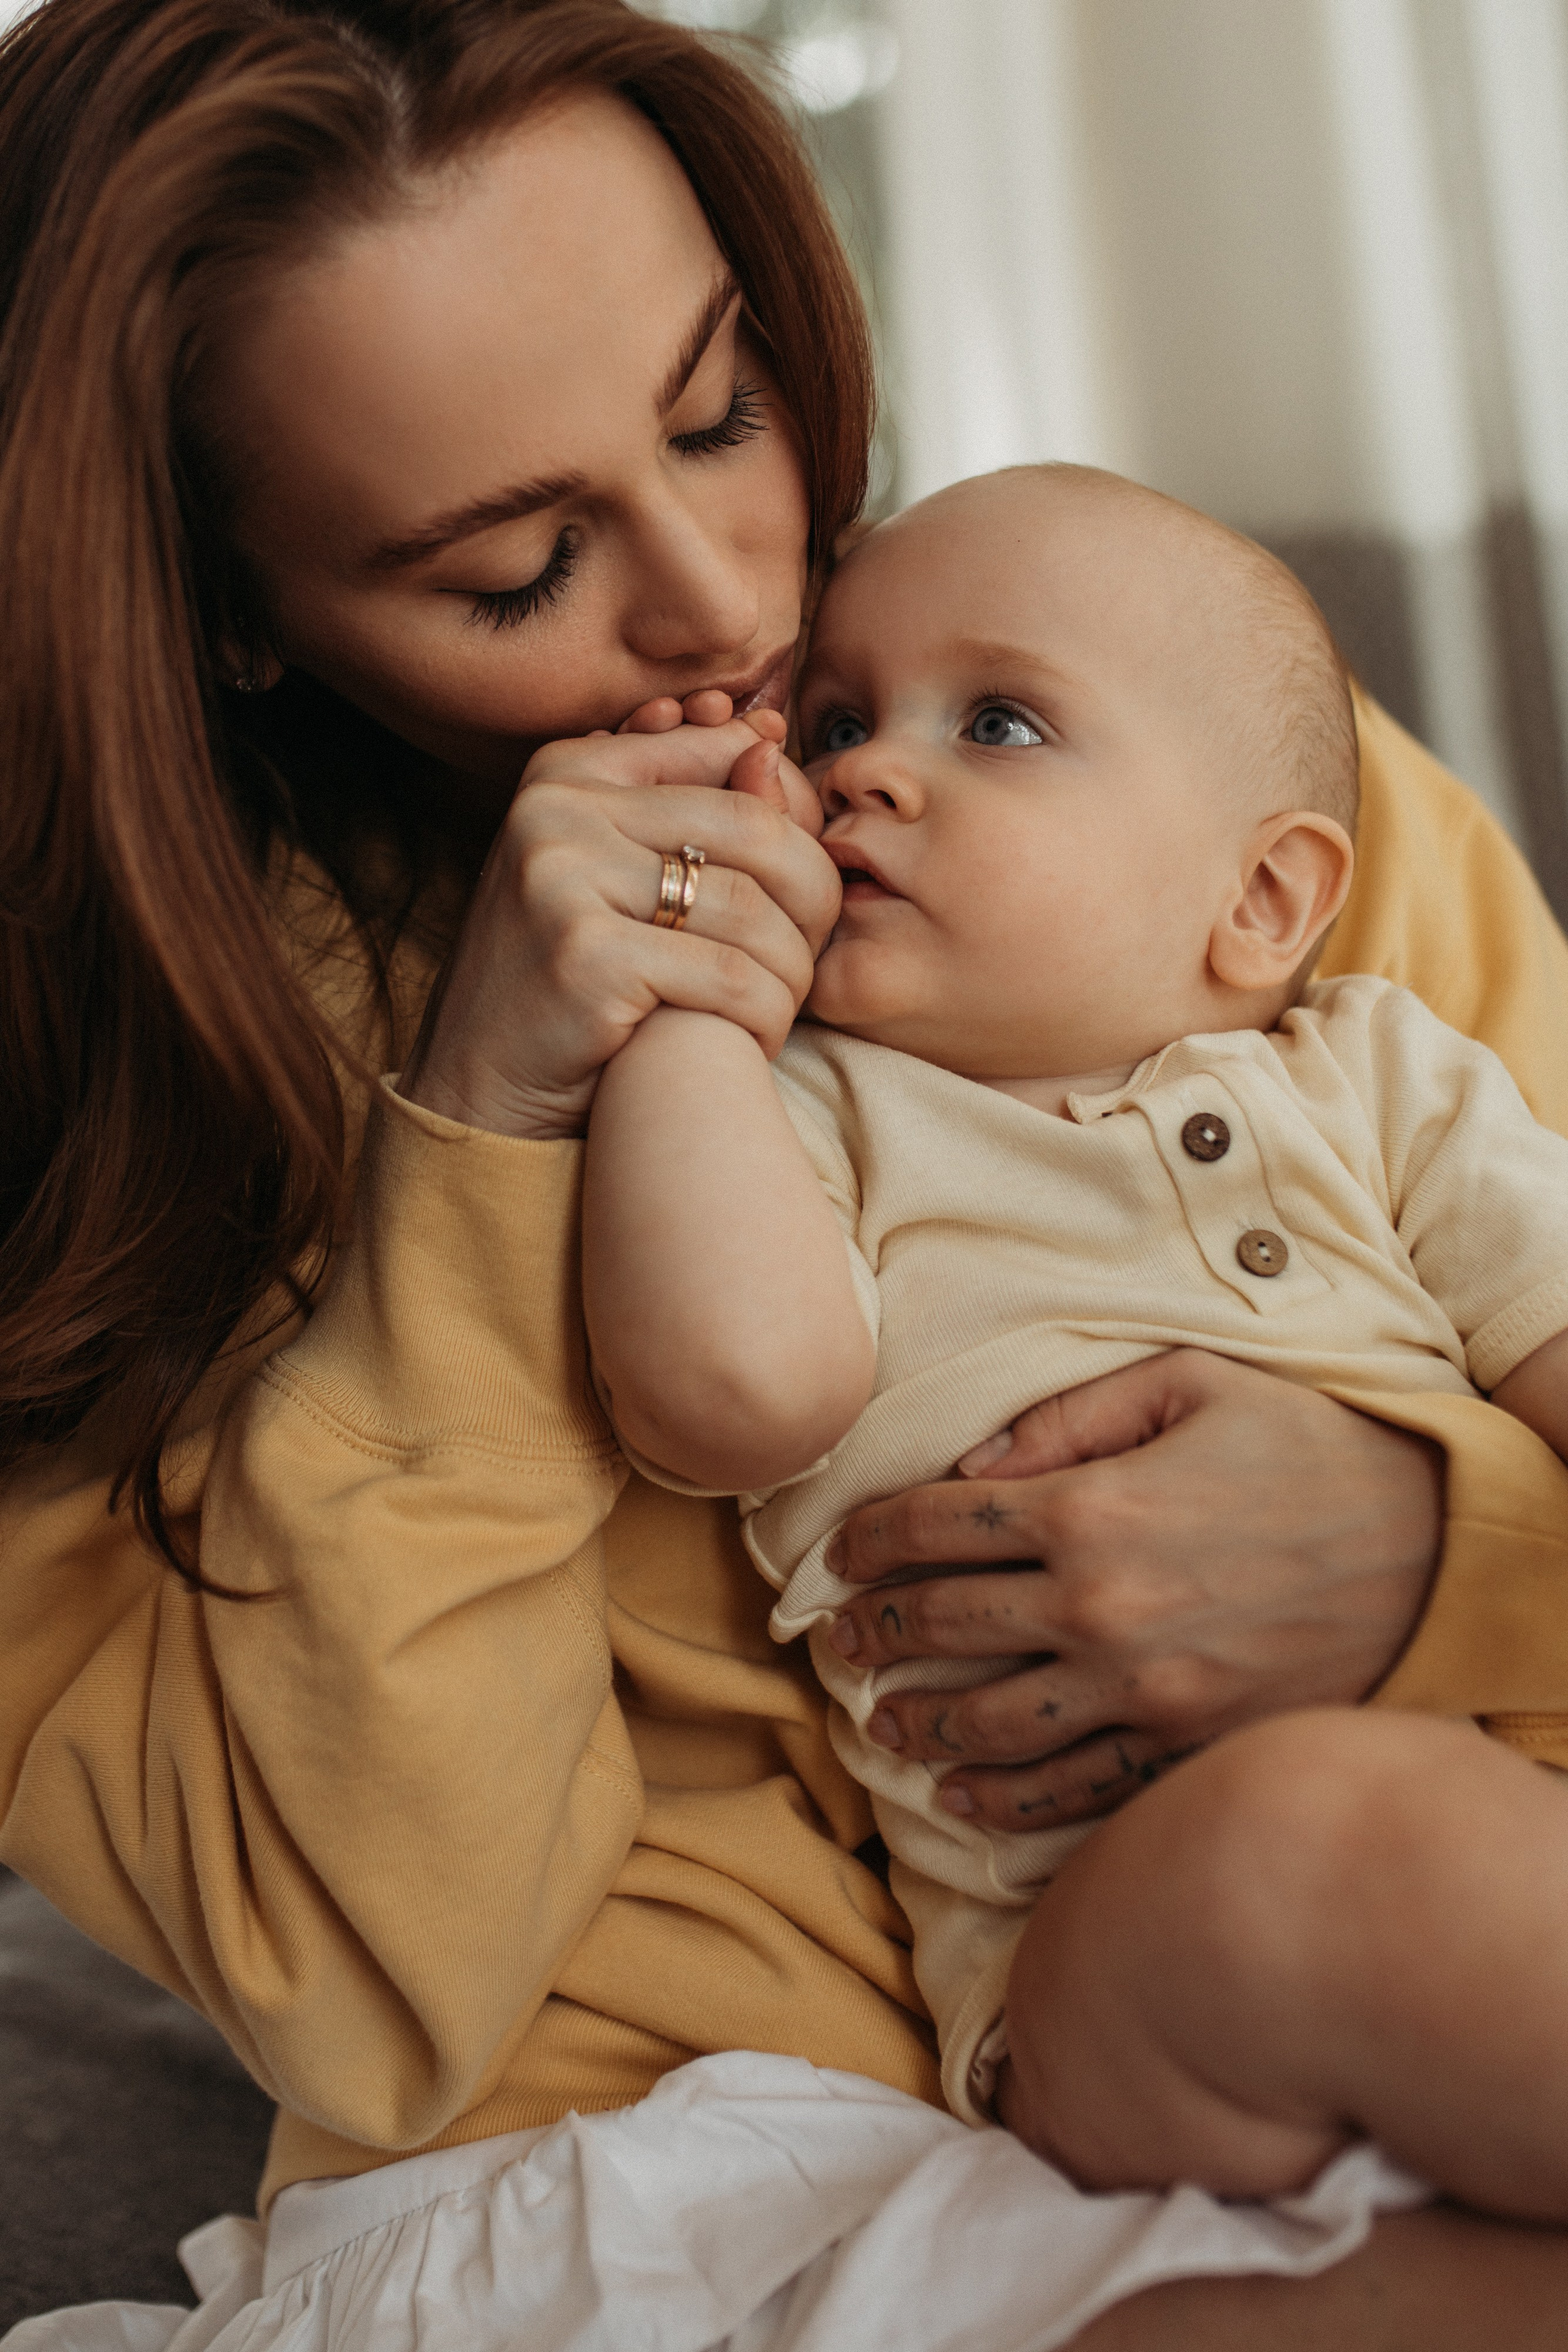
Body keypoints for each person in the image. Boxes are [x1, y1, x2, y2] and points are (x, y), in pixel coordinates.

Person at [3, 0, 1568, 2342]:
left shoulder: (1194, 764)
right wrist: (496, 1129)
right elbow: (369, 1991)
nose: (737, 606)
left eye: (720, 407)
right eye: (522, 566)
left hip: (1333, 2039)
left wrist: (1445, 1553)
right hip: (673, 2182)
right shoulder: (95, 1154)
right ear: (223, 619)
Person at [582, 461, 1568, 2220]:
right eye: (831, 722)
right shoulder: (807, 1116)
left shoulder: (1379, 1075)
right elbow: (733, 1390)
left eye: (1002, 723)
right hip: (1124, 1958)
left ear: (1262, 903)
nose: (864, 770)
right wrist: (693, 1000)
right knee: (1302, 1842)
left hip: (1512, 1848)